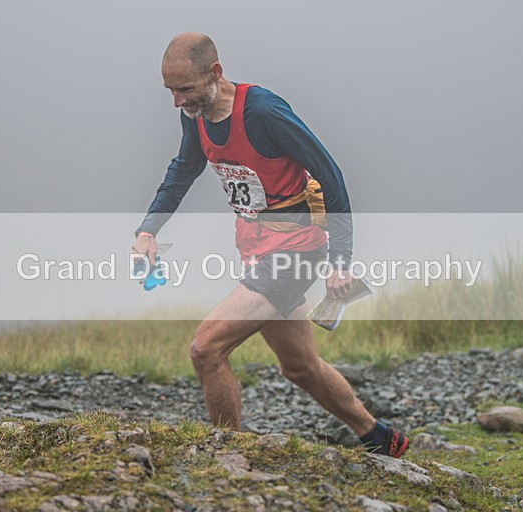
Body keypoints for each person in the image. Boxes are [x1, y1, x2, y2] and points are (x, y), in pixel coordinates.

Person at [131, 32, 408, 457]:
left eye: (184, 89)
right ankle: (381, 438)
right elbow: (183, 170)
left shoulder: (263, 111)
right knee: (301, 367)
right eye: (170, 90)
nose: (176, 101)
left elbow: (330, 175)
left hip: (297, 250)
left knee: (206, 349)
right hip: (257, 248)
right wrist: (148, 230)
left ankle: (229, 455)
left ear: (215, 72)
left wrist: (340, 260)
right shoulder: (195, 113)